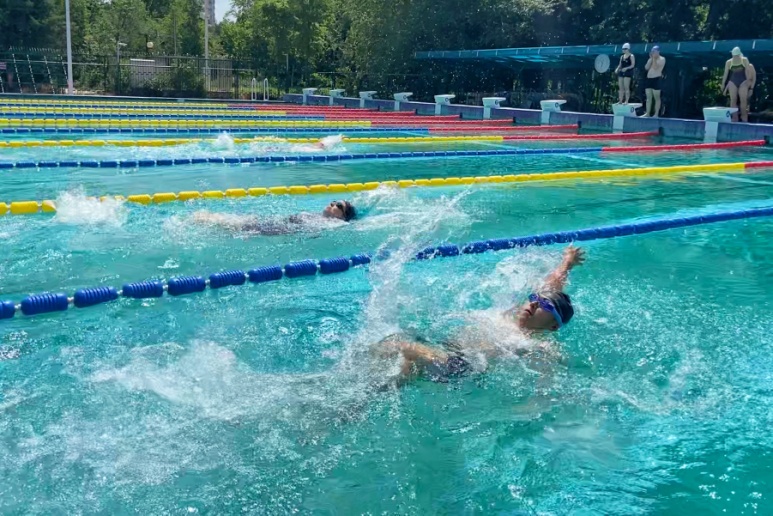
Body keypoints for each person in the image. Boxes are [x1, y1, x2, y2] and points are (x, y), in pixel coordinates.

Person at [373, 246, 585, 385]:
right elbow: (552, 285)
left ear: (553, 326)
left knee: (400, 344)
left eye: (544, 305)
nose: (534, 303)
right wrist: (567, 262)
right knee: (399, 374)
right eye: (535, 298)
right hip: (445, 347)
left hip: (457, 366)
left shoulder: (529, 341)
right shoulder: (521, 310)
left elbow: (553, 361)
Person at [192, 200, 356, 235]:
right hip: (276, 223)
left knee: (235, 225)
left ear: (342, 217)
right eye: (333, 201)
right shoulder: (318, 217)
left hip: (278, 230)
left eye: (338, 206)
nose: (332, 204)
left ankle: (204, 221)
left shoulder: (334, 225)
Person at [722, 47, 757, 123]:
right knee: (733, 100)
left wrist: (750, 87)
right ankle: (734, 118)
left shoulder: (746, 62)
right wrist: (723, 85)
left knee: (743, 100)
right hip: (733, 81)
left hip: (743, 81)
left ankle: (744, 118)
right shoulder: (729, 62)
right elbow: (726, 75)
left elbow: (751, 75)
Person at [642, 46, 666, 118]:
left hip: (656, 79)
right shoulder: (651, 59)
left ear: (658, 52)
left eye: (654, 52)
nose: (653, 53)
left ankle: (656, 114)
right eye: (652, 52)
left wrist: (654, 59)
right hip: (649, 79)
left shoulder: (662, 59)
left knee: (656, 97)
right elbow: (646, 67)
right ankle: (647, 113)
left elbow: (655, 67)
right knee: (648, 97)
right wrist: (651, 59)